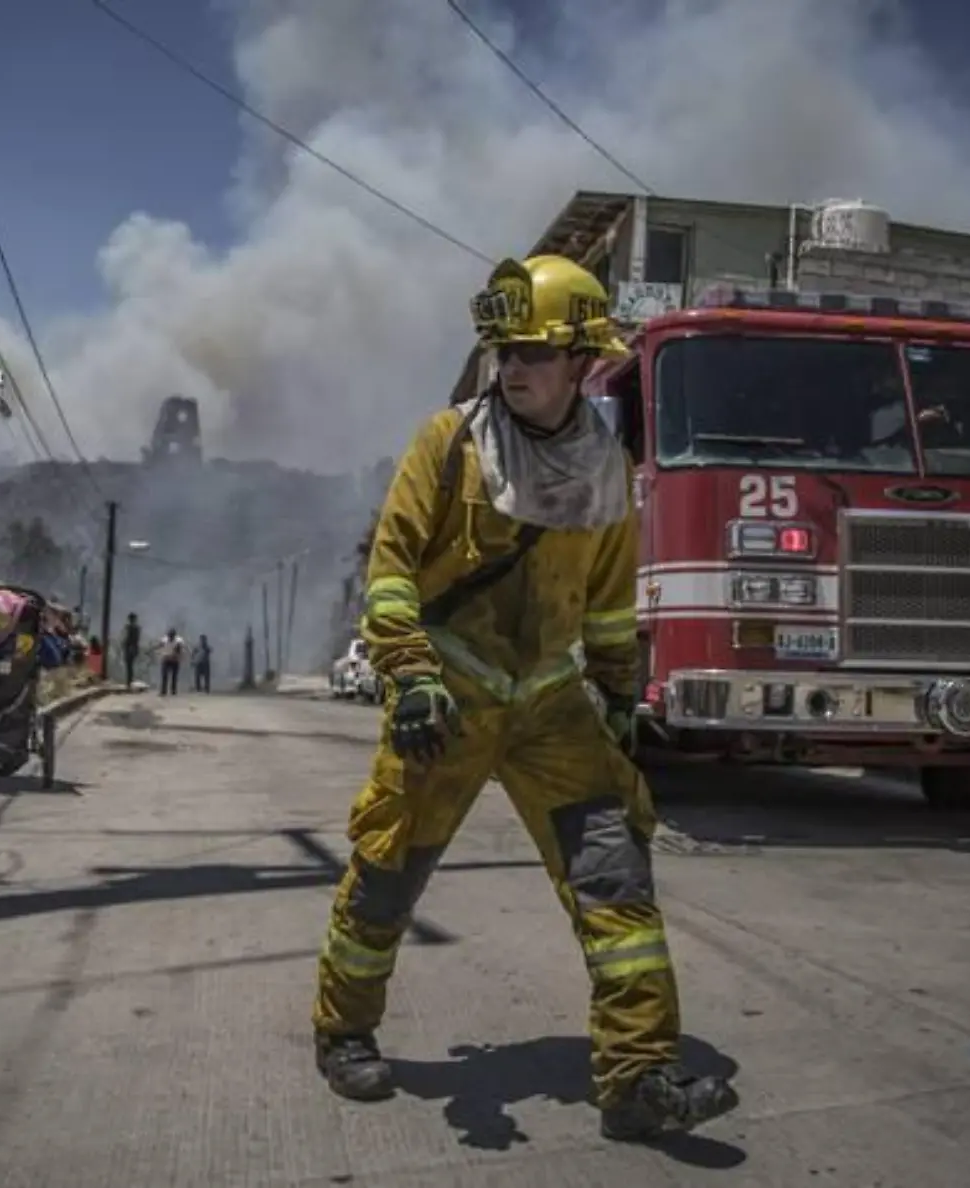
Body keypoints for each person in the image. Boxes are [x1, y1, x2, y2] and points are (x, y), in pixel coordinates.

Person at [309, 256, 738, 1142]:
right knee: (388, 875)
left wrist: (620, 702)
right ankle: (344, 1030)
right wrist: (411, 673)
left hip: (551, 705)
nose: (512, 366)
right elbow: (390, 572)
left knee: (616, 884)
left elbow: (612, 607)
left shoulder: (607, 470)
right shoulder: (450, 443)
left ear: (582, 362)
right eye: (504, 348)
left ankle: (638, 1076)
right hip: (448, 697)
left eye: (535, 351)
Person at [158, 628, 185, 695]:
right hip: (166, 659)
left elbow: (179, 650)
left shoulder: (178, 641)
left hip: (174, 660)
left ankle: (173, 690)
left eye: (172, 635)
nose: (170, 637)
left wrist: (177, 654)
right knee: (164, 675)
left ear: (174, 635)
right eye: (169, 635)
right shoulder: (164, 640)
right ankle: (163, 691)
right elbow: (159, 645)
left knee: (174, 676)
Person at [120, 612, 141, 686]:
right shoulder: (136, 627)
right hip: (132, 647)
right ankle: (129, 680)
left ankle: (129, 681)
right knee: (129, 664)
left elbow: (129, 638)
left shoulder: (130, 627)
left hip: (130, 647)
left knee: (129, 664)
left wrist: (125, 644)